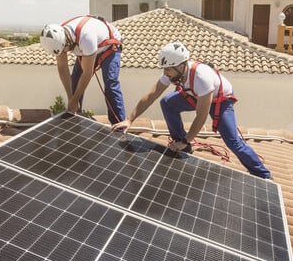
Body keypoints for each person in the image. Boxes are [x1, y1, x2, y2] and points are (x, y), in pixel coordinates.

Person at [111, 42, 271, 179]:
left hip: (220, 100)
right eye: (164, 70)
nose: (165, 74)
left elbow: (201, 116)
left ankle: (263, 175)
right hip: (195, 95)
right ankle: (183, 147)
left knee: (233, 141)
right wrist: (130, 119)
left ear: (181, 66)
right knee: (167, 102)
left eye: (168, 70)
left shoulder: (201, 77)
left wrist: (186, 139)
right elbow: (152, 94)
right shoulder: (173, 72)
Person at [40, 15, 125, 125]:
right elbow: (62, 68)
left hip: (109, 48)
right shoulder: (57, 38)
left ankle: (119, 125)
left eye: (64, 50)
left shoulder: (86, 37)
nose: (64, 53)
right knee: (75, 82)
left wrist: (75, 100)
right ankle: (75, 119)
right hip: (89, 49)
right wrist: (71, 97)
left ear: (67, 41)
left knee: (110, 83)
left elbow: (87, 73)